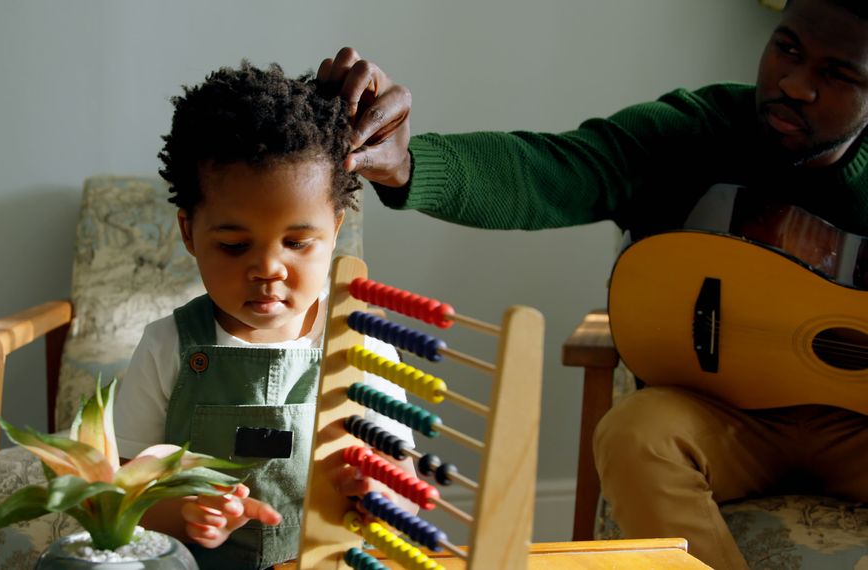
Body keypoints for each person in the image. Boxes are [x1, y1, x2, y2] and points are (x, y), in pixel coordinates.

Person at [315, 0, 868, 568]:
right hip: (723, 419)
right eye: (787, 49)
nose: (795, 84)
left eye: (837, 74)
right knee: (634, 434)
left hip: (853, 426)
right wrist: (408, 163)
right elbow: (552, 171)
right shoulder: (699, 130)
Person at [112, 62, 417, 570]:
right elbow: (124, 490)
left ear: (335, 229)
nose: (268, 269)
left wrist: (379, 495)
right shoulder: (169, 345)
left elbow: (404, 485)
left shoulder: (361, 342)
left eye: (298, 243)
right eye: (234, 246)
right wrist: (182, 511)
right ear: (189, 233)